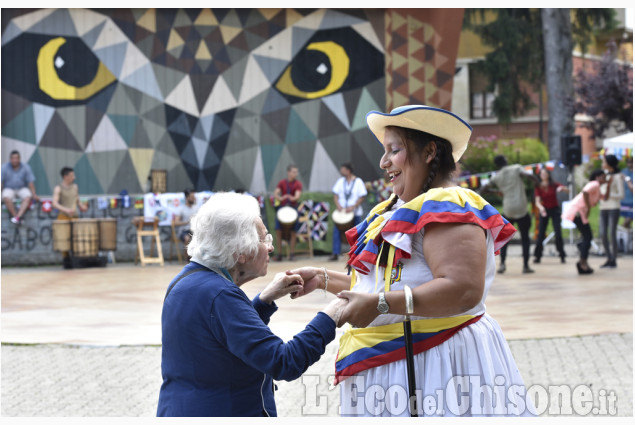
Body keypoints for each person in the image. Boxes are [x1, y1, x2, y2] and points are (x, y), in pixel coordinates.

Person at [290, 105, 534, 417]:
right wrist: (323, 278)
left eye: (394, 150)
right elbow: (387, 283)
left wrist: (380, 304)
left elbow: (462, 290)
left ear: (430, 151)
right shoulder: (395, 208)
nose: (383, 162)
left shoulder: (449, 205)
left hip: (436, 362)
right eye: (384, 151)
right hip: (397, 362)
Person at [157, 192, 347, 417]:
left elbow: (223, 336)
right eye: (265, 239)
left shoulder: (185, 280)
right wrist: (333, 313)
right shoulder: (221, 295)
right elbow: (284, 361)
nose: (270, 248)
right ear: (241, 253)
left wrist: (264, 301)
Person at [479, 155, 539, 274]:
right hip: (521, 208)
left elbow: (483, 189)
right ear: (506, 160)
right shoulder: (516, 168)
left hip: (508, 209)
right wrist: (536, 183)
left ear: (497, 165)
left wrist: (495, 191)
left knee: (505, 239)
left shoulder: (497, 176)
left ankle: (502, 265)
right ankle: (526, 266)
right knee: (525, 238)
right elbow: (530, 176)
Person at [562, 169, 606, 274]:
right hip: (578, 212)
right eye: (603, 177)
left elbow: (604, 197)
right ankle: (582, 262)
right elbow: (585, 192)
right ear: (597, 177)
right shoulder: (594, 184)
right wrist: (587, 207)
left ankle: (582, 251)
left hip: (579, 212)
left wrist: (608, 185)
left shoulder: (598, 187)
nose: (605, 179)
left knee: (587, 236)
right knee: (588, 236)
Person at [51, 167, 88, 268]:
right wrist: (66, 210)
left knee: (76, 239)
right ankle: (66, 261)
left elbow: (77, 201)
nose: (74, 177)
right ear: (65, 176)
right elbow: (54, 203)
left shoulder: (75, 187)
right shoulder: (58, 188)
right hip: (63, 217)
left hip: (74, 217)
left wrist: (82, 207)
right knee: (64, 240)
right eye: (72, 175)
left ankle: (77, 260)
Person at [329, 163, 367, 261]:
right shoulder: (340, 181)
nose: (341, 171)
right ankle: (335, 253)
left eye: (343, 169)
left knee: (357, 233)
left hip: (354, 212)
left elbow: (362, 196)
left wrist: (353, 206)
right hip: (342, 213)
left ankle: (357, 254)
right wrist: (338, 205)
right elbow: (335, 195)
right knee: (336, 232)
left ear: (348, 170)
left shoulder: (358, 181)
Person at [532, 168, 569, 264]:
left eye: (545, 173)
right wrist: (541, 208)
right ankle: (538, 256)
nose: (543, 175)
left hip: (555, 210)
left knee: (558, 232)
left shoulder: (554, 184)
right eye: (542, 173)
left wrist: (562, 188)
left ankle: (562, 255)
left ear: (548, 175)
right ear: (540, 176)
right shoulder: (538, 187)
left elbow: (567, 190)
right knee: (541, 233)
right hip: (544, 210)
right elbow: (537, 201)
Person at [598, 155, 625, 268]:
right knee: (603, 233)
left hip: (613, 207)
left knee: (611, 233)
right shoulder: (604, 175)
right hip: (603, 207)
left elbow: (621, 195)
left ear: (609, 163)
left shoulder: (618, 177)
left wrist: (608, 195)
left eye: (604, 161)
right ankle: (608, 257)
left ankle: (614, 259)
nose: (602, 163)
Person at [273, 164, 302, 261]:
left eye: (296, 172)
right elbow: (276, 193)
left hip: (293, 208)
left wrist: (291, 197)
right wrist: (282, 198)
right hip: (282, 208)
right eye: (294, 172)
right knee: (278, 231)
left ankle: (292, 254)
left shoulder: (298, 184)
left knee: (293, 232)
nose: (295, 174)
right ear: (288, 172)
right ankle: (279, 254)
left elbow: (297, 197)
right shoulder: (282, 183)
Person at [1, 150, 39, 225]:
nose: (15, 160)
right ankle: (15, 216)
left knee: (28, 196)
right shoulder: (4, 167)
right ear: (10, 159)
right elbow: (1, 182)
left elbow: (30, 182)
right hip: (9, 188)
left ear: (19, 159)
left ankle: (18, 216)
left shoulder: (26, 167)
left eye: (16, 158)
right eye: (13, 158)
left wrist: (34, 194)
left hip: (21, 188)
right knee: (5, 196)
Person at [620, 156, 633, 228]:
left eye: (631, 161)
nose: (629, 163)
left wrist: (627, 180)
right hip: (625, 199)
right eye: (628, 161)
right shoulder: (624, 171)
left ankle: (623, 228)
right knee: (627, 217)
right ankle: (626, 236)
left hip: (632, 199)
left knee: (630, 216)